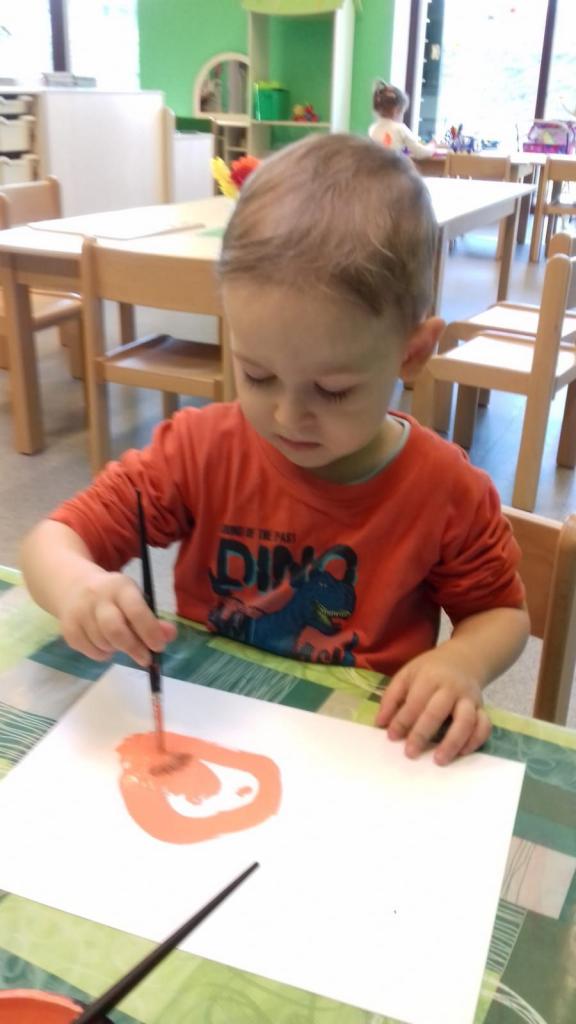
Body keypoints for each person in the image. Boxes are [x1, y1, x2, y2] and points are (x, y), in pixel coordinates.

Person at [21, 134, 529, 767]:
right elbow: (51, 542)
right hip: (210, 731)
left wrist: (462, 662)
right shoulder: (198, 451)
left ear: (413, 353)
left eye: (333, 390)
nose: (288, 417)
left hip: (365, 757)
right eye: (257, 375)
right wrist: (78, 586)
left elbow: (502, 614)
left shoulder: (446, 490)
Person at [369, 80, 436, 160]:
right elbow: (420, 152)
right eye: (403, 112)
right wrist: (431, 147)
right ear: (397, 110)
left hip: (376, 167)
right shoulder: (400, 129)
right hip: (394, 168)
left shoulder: (373, 129)